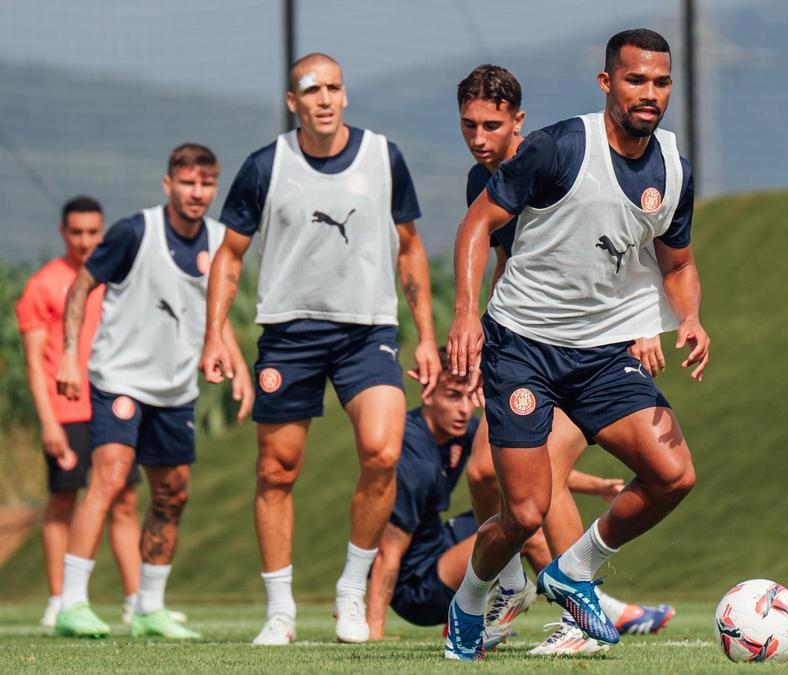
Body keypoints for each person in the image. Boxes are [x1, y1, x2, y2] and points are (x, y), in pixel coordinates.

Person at [444, 29, 708, 660]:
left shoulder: (673, 168)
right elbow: (478, 222)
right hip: (524, 349)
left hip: (603, 355)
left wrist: (691, 319)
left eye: (661, 82)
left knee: (673, 475)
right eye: (636, 80)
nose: (649, 94)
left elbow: (677, 264)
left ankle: (573, 572)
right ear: (607, 82)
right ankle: (469, 605)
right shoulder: (560, 147)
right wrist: (464, 315)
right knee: (526, 512)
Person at [202, 52, 440, 645]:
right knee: (275, 469)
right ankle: (280, 611)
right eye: (313, 90)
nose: (325, 99)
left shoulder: (385, 157)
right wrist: (215, 334)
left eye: (334, 87)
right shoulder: (266, 166)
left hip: (368, 331)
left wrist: (429, 335)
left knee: (383, 453)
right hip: (290, 333)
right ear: (293, 102)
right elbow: (228, 256)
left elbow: (410, 247)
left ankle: (350, 592)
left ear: (346, 95)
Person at [53, 144, 251, 640]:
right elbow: (80, 288)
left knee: (172, 493)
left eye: (205, 184)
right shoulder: (134, 231)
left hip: (175, 388)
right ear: (169, 186)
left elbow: (216, 311)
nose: (196, 193)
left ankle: (148, 607)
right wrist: (70, 354)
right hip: (119, 379)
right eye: (187, 183)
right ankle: (71, 604)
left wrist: (240, 368)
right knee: (111, 476)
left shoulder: (218, 240)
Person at [363, 349, 627, 651]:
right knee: (527, 529)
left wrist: (599, 486)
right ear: (427, 393)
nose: (464, 409)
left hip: (438, 544)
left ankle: (540, 597)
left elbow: (533, 470)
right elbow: (389, 548)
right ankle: (588, 614)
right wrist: (373, 628)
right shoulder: (413, 458)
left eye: (468, 397)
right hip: (417, 587)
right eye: (452, 396)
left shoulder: (461, 432)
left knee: (518, 510)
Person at [15, 197, 143, 629]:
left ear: (103, 231)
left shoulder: (113, 280)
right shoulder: (43, 284)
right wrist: (48, 420)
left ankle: (137, 601)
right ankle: (58, 599)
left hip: (114, 404)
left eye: (93, 232)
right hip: (66, 412)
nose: (85, 241)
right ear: (63, 232)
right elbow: (35, 363)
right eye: (77, 232)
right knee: (63, 503)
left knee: (125, 500)